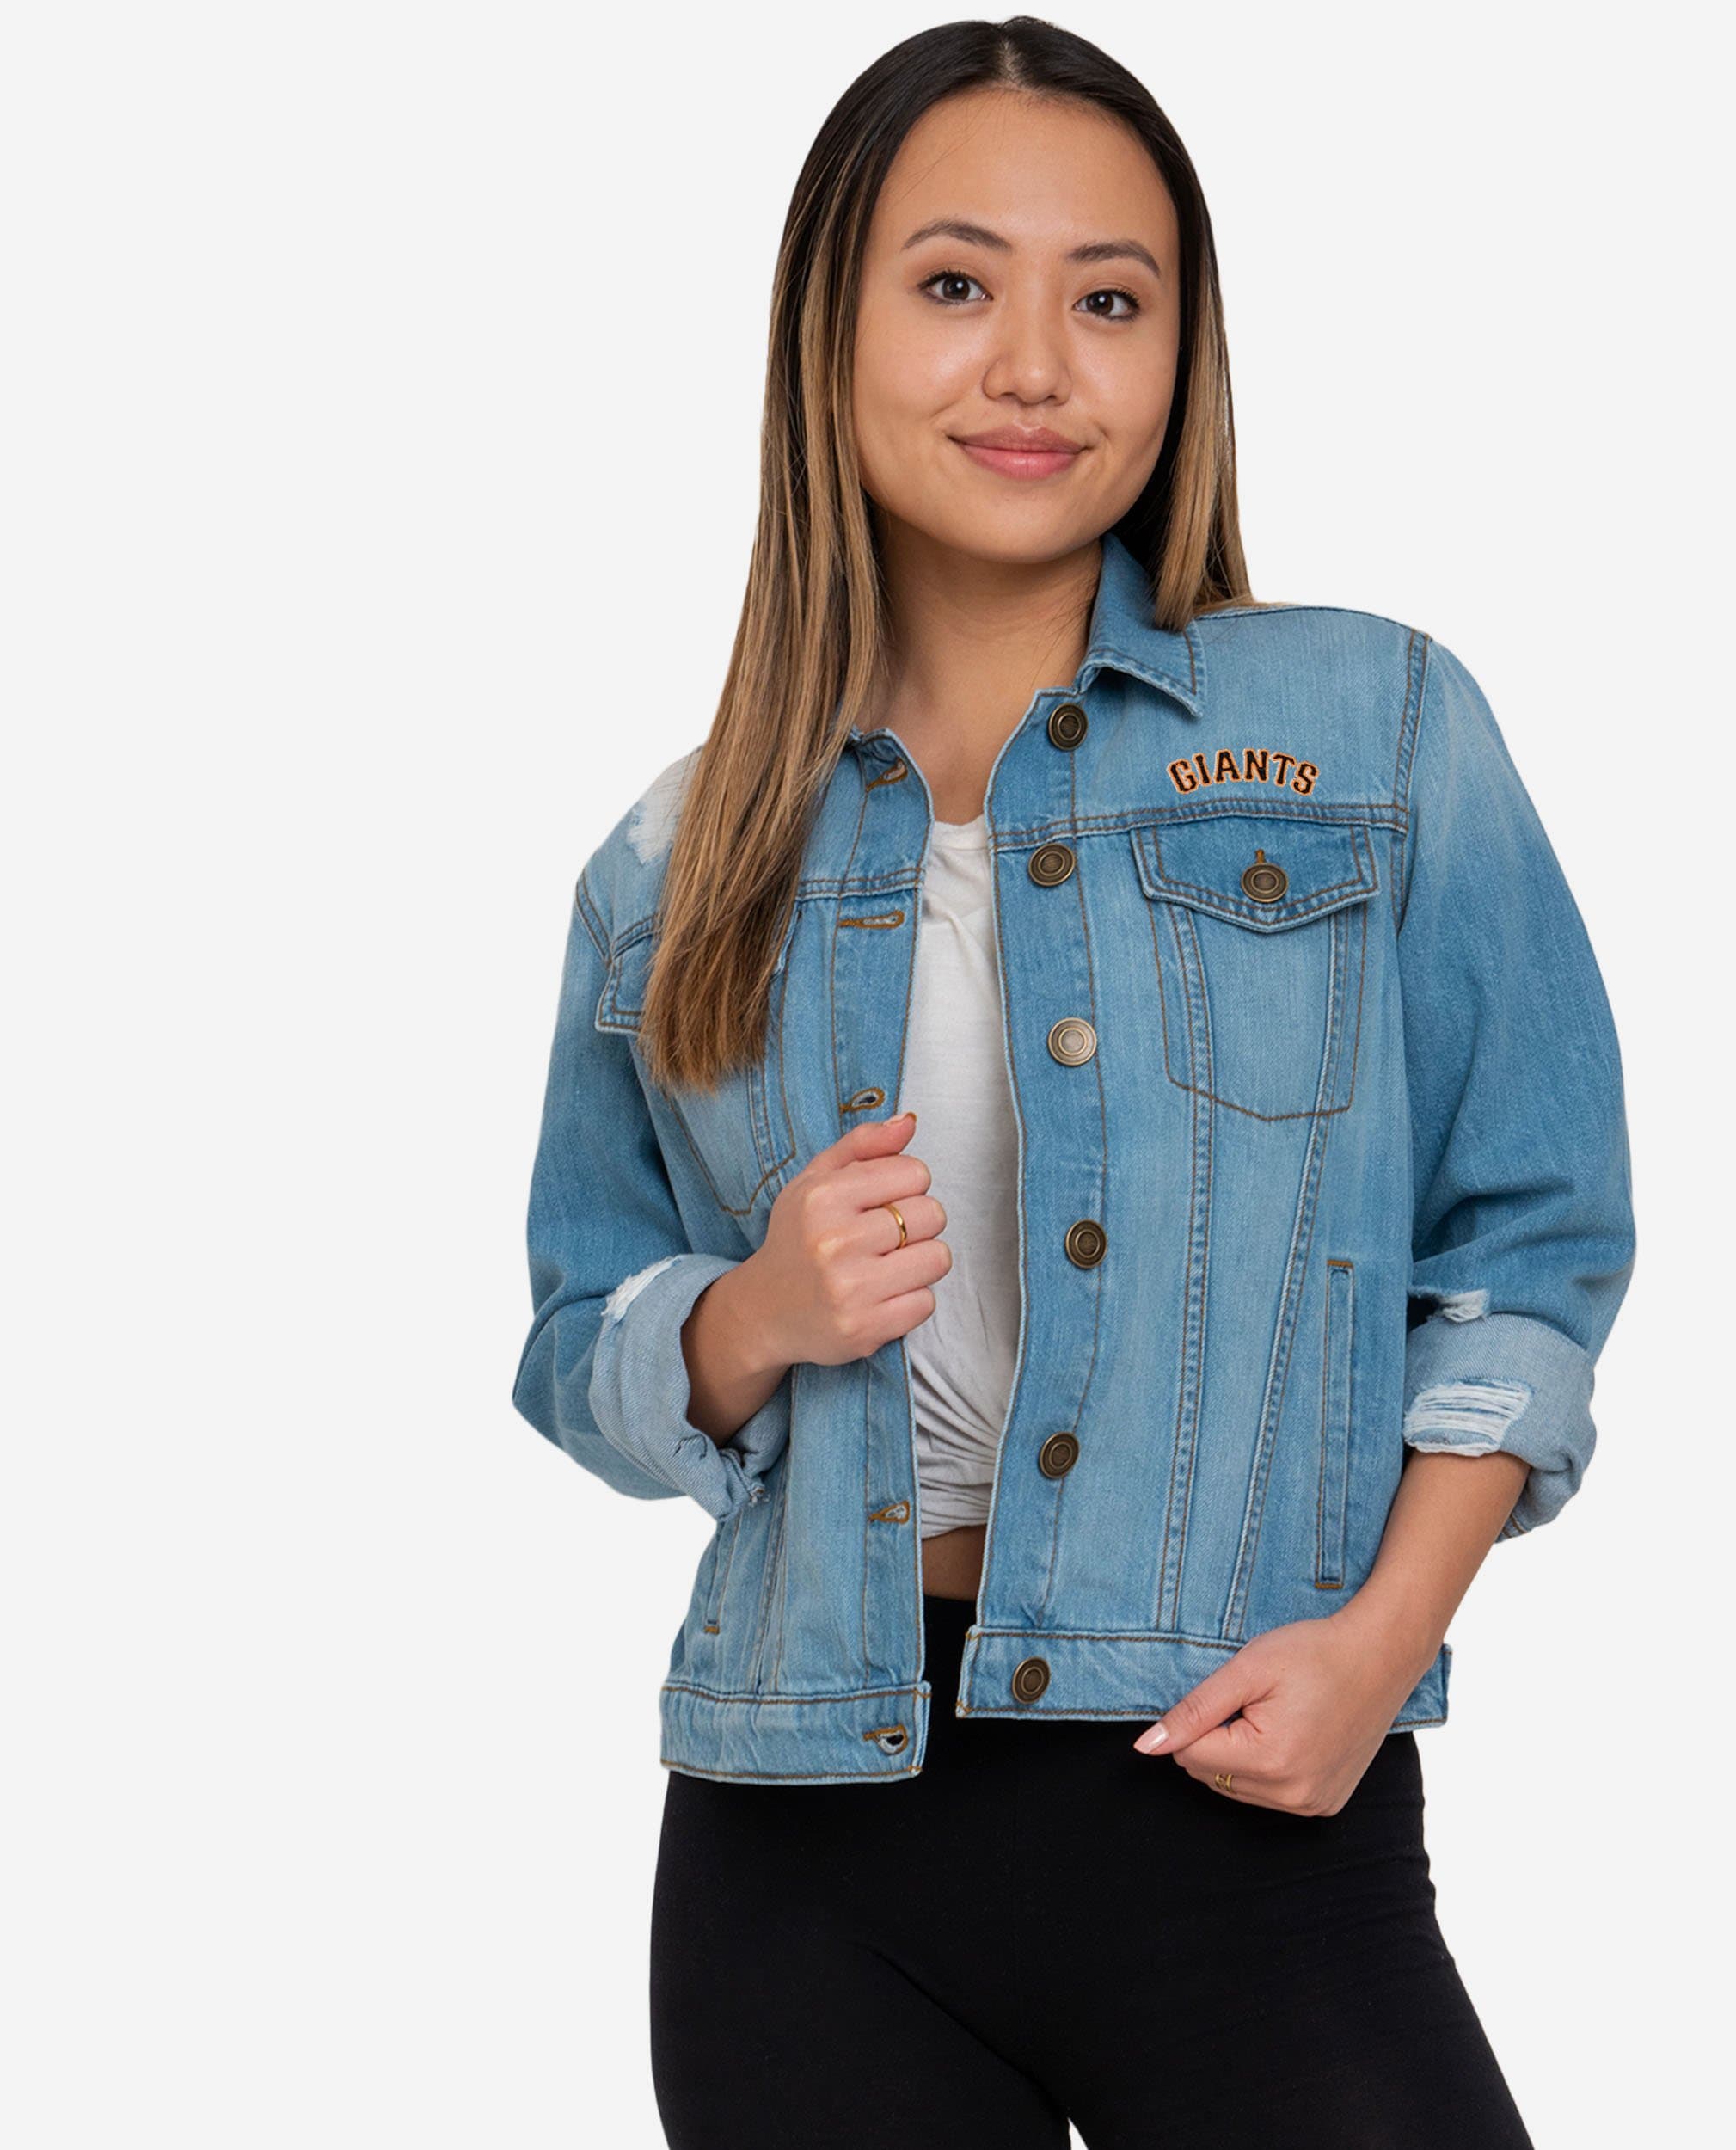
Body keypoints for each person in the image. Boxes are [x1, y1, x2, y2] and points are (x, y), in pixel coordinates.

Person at [512, 18, 1635, 2147]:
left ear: (1179, 354)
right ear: (827, 332)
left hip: (1243, 1794)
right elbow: (583, 1330)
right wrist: (752, 1312)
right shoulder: (679, 856)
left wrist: (1378, 1644)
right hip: (802, 1836)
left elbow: (1533, 1240)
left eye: (1108, 300)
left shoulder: (1373, 731)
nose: (1033, 365)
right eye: (954, 284)